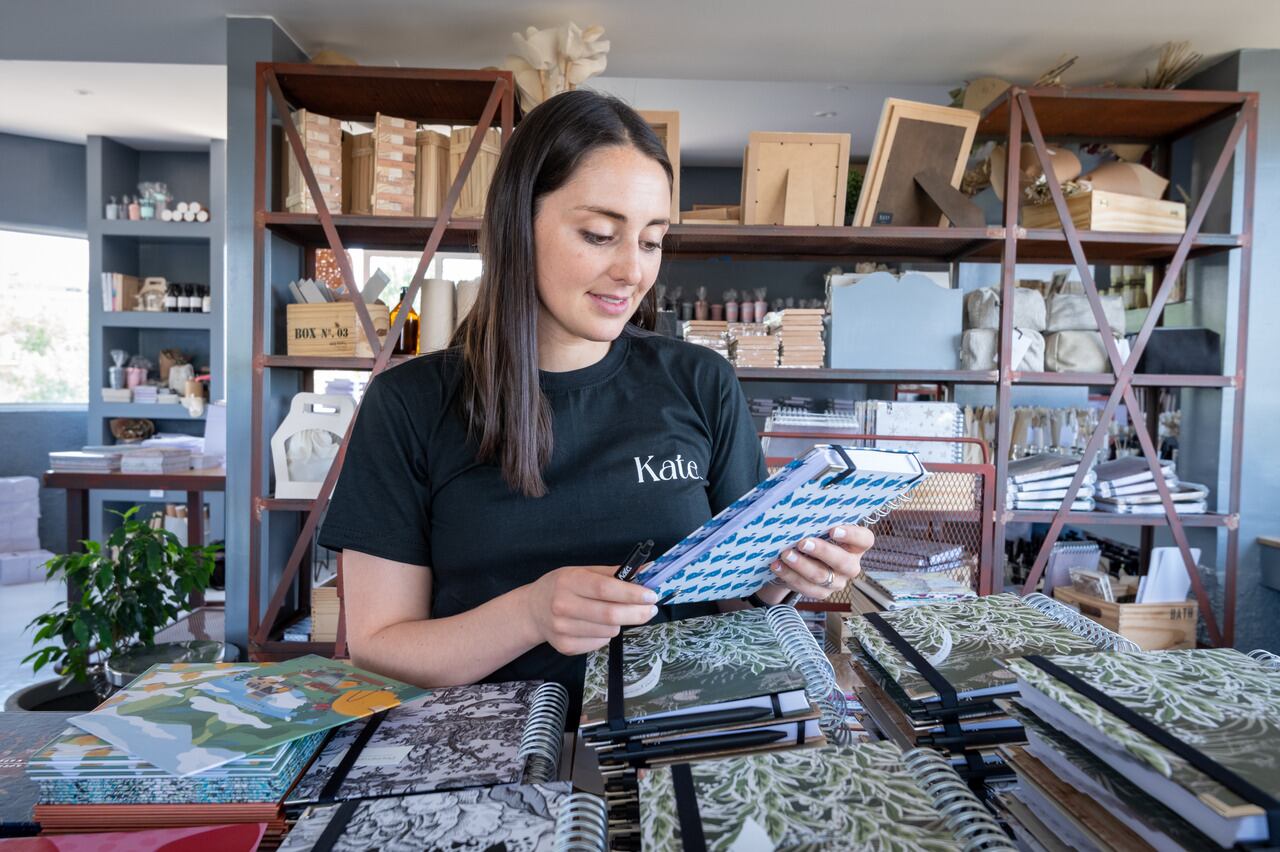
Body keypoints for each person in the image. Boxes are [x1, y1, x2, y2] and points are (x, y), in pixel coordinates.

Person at [317, 90, 872, 718]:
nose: (632, 272)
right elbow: (379, 647)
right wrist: (530, 612)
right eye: (600, 234)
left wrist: (787, 576)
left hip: (684, 738)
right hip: (492, 757)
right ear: (517, 224)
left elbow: (739, 599)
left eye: (653, 241)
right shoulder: (411, 403)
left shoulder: (701, 382)